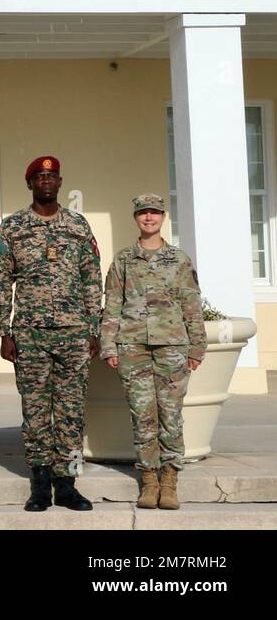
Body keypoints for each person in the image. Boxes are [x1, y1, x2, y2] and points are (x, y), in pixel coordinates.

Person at [0, 156, 102, 512]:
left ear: (60, 182)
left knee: (71, 412)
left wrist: (93, 328)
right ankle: (40, 482)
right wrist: (4, 331)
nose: (46, 182)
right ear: (30, 184)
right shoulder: (13, 228)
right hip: (30, 334)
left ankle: (67, 483)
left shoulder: (78, 226)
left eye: (52, 176)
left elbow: (91, 278)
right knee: (35, 410)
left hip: (73, 332)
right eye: (40, 176)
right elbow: (1, 281)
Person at [100, 193, 206, 511]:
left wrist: (197, 346)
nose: (149, 218)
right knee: (143, 416)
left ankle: (170, 480)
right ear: (136, 218)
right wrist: (108, 345)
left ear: (163, 218)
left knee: (170, 416)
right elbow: (113, 304)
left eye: (155, 213)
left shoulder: (180, 260)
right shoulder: (123, 260)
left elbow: (191, 304)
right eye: (143, 213)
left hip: (173, 347)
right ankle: (149, 480)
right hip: (133, 347)